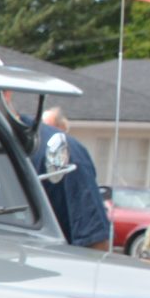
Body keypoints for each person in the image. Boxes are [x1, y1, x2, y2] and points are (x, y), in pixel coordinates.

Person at [34, 107, 112, 251]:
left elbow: (93, 239)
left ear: (62, 128)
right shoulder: (5, 142)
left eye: (50, 127)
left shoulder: (70, 156)